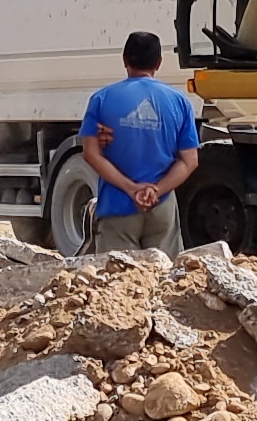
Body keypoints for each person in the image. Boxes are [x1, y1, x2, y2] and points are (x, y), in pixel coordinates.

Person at [78, 31, 200, 255]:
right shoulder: (180, 102)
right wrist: (156, 190)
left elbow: (91, 154)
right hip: (161, 207)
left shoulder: (101, 99)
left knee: (119, 281)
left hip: (118, 207)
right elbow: (190, 160)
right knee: (163, 278)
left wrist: (131, 189)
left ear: (124, 59)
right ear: (159, 63)